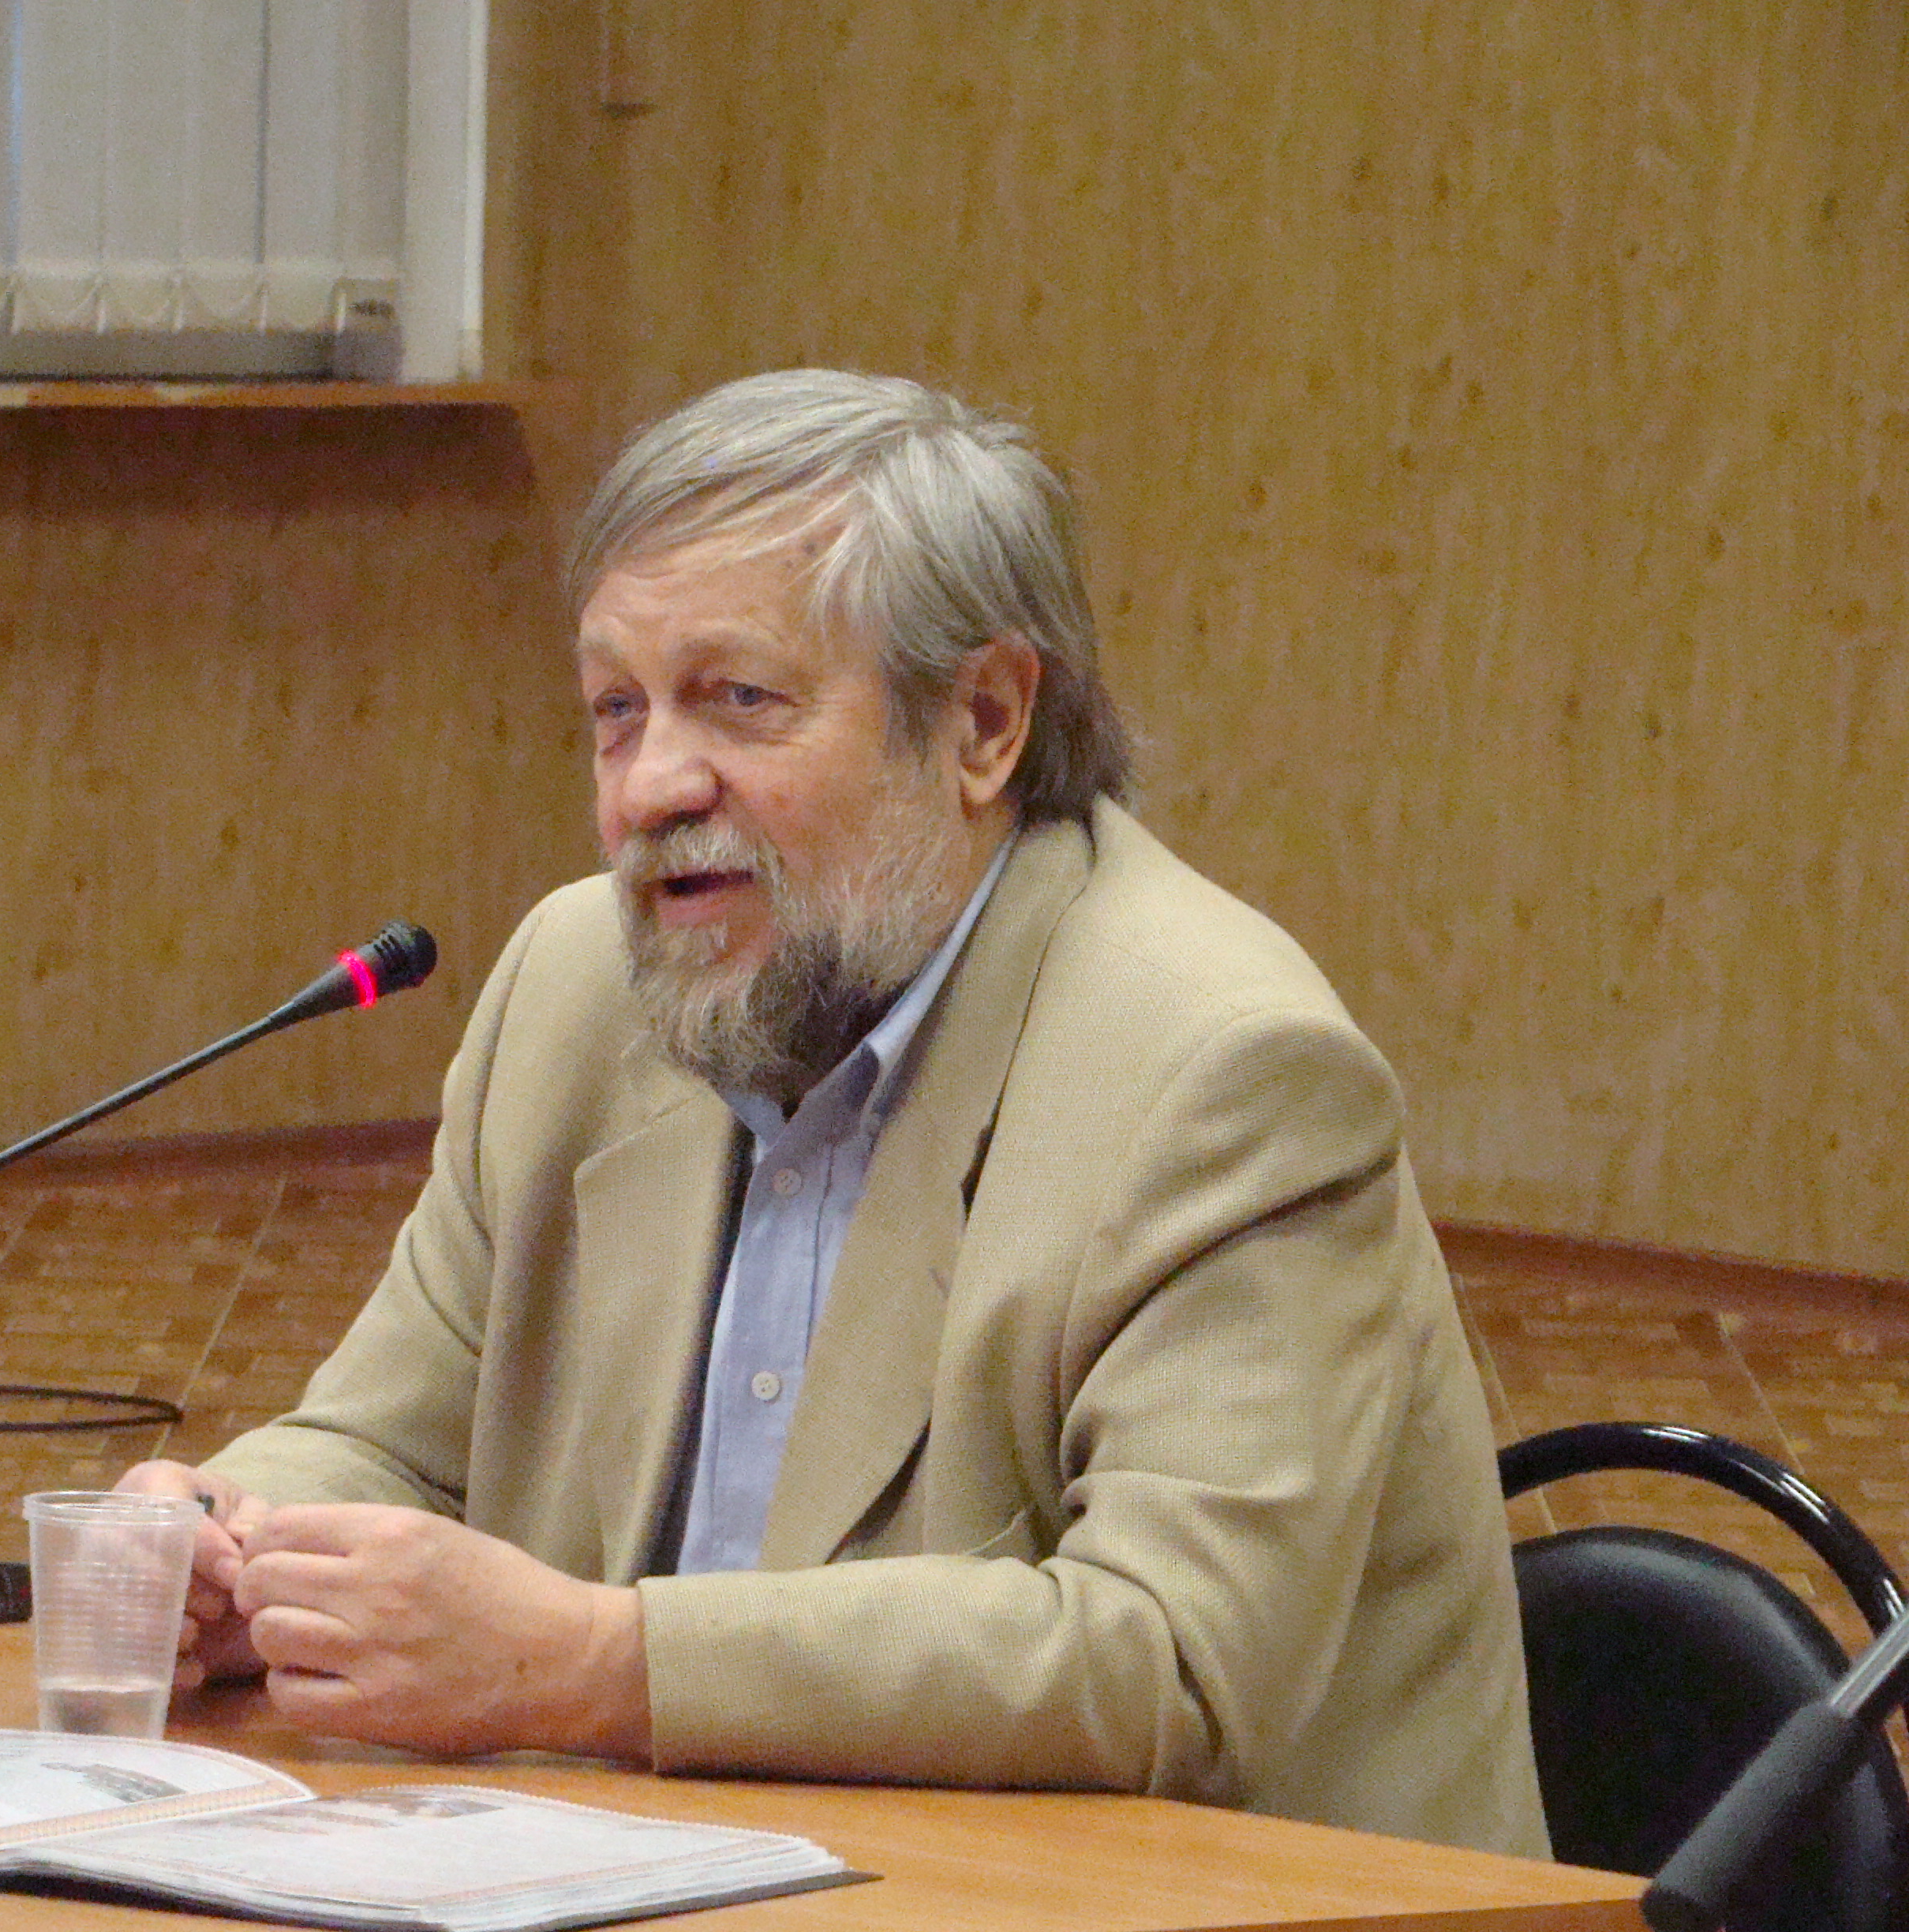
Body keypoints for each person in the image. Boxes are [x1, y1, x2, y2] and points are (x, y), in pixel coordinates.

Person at [122, 369, 1548, 1857]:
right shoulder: (578, 988)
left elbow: (1170, 1656)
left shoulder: (1221, 1070)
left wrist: (598, 1663)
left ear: (983, 722)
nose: (652, 787)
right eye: (617, 710)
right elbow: (389, 1447)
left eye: (739, 700)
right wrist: (226, 1538)